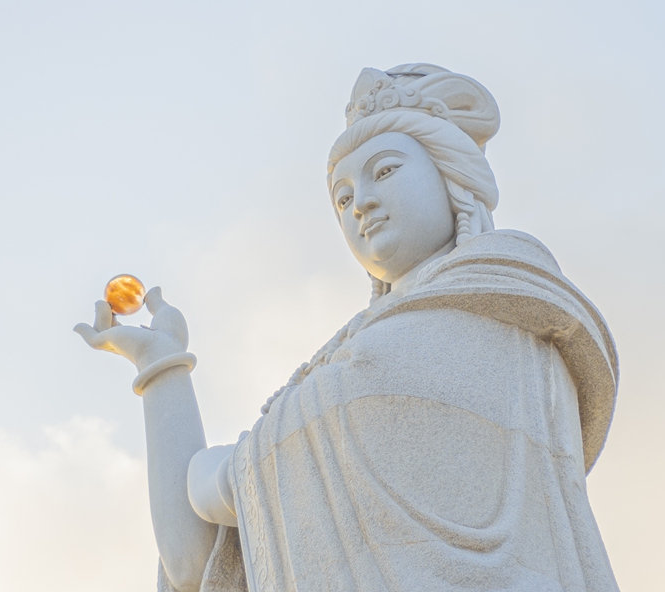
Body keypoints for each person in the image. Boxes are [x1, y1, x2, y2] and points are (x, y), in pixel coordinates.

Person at [75, 64, 621, 592]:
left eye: (385, 170)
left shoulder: (489, 321)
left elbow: (217, 487)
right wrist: (160, 368)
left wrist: (241, 467)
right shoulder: (352, 359)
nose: (360, 202)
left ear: (453, 179)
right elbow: (193, 563)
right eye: (341, 197)